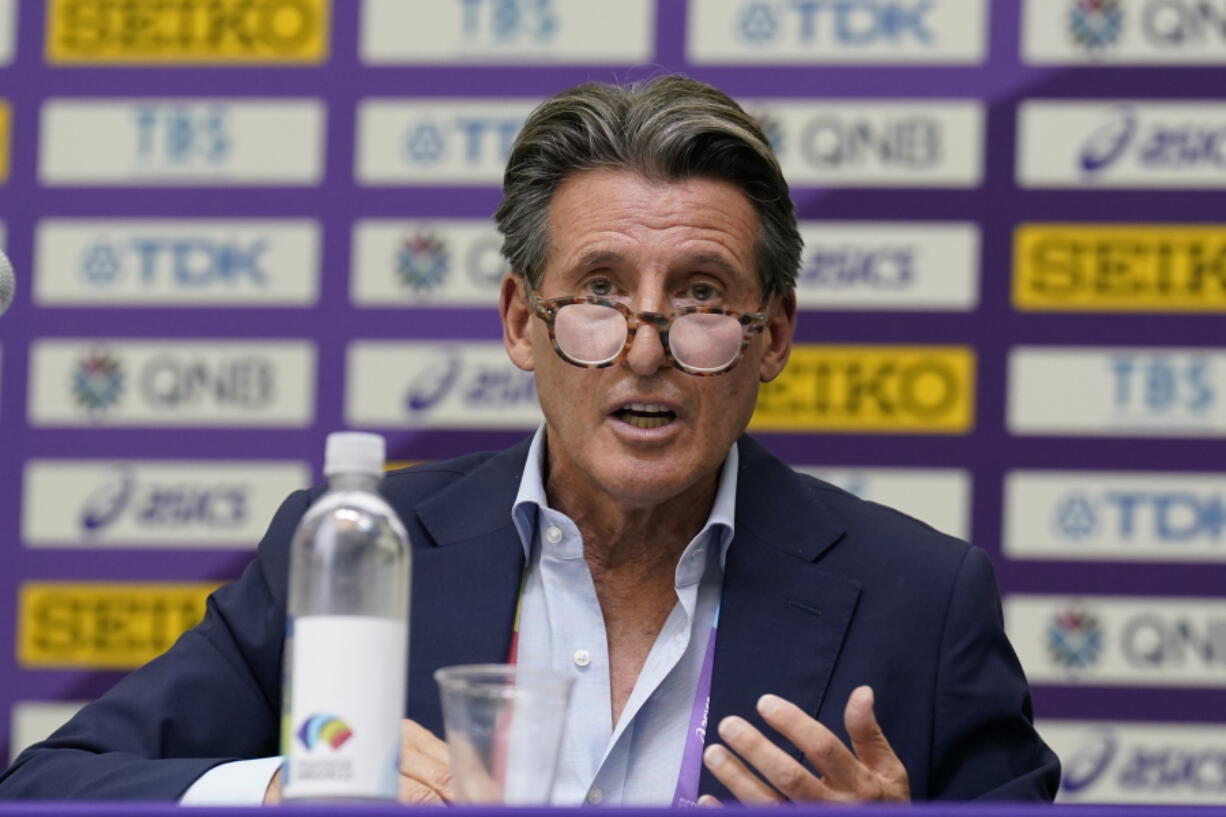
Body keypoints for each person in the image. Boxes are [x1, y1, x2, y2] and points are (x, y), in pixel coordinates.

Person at [0, 76, 1059, 805]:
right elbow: (54, 784)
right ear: (520, 321)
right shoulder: (363, 550)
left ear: (768, 334)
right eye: (598, 293)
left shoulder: (920, 599)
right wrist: (291, 788)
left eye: (698, 298)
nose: (643, 350)